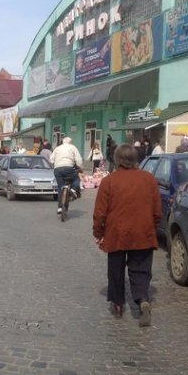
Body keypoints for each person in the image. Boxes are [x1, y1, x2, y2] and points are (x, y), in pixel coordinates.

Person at [93, 143, 162, 326]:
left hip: (116, 233)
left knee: (115, 270)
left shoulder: (109, 181)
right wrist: (152, 227)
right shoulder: (148, 179)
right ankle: (142, 300)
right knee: (140, 270)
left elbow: (100, 212)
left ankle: (117, 304)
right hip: (143, 232)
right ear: (135, 159)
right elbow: (157, 210)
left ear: (117, 160)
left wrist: (98, 233)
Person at [49, 136, 83, 215]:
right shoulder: (72, 147)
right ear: (70, 142)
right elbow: (78, 159)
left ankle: (60, 207)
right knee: (76, 179)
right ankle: (73, 189)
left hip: (57, 170)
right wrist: (80, 166)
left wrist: (55, 164)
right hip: (69, 168)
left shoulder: (57, 148)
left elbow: (51, 159)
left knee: (61, 187)